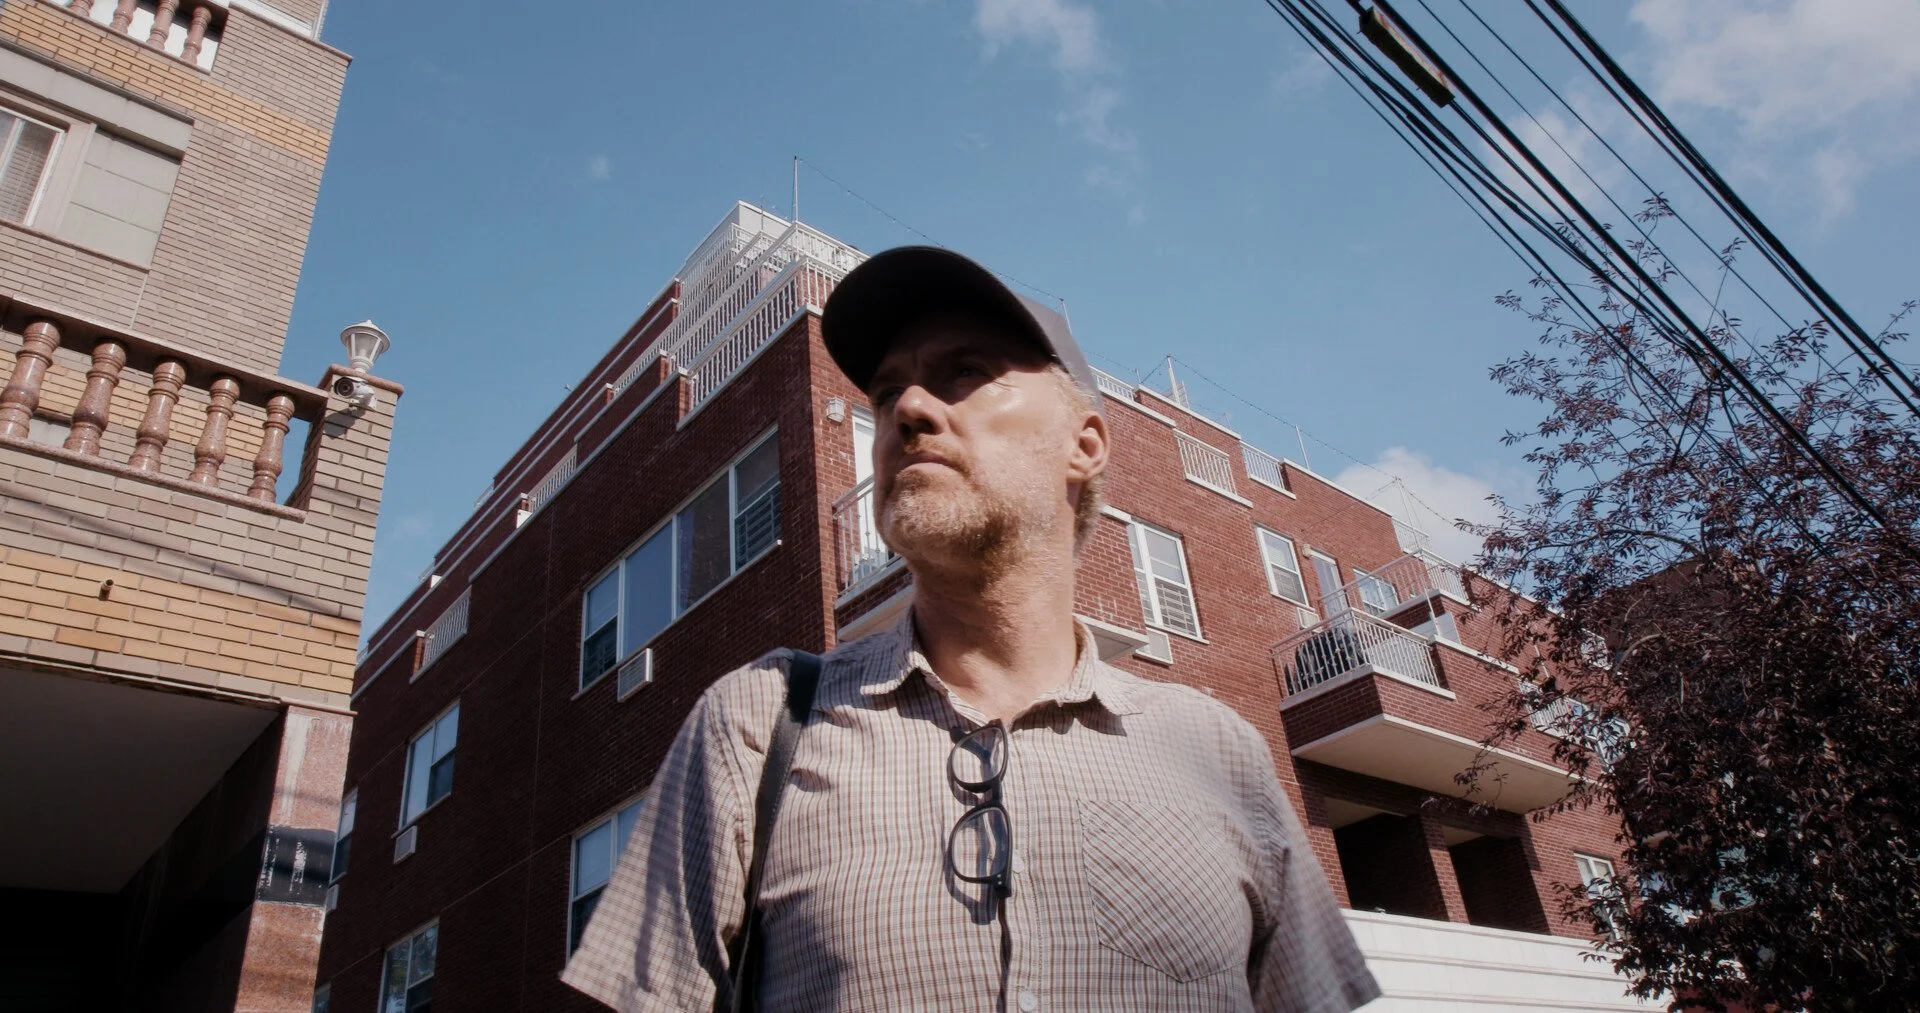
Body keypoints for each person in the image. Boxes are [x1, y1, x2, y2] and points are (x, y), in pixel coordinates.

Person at [563, 246, 1382, 1012]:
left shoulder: (1219, 749)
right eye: (886, 393)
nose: (909, 408)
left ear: (1085, 443)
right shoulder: (760, 723)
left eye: (965, 373)